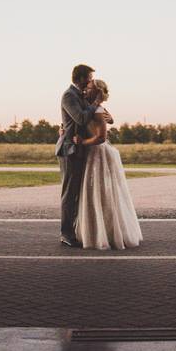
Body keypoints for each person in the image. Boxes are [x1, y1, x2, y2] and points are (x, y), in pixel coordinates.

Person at [74, 79, 143, 250]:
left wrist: (82, 142)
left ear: (96, 93)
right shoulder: (92, 107)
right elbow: (106, 119)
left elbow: (101, 137)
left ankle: (106, 233)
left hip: (99, 153)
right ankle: (100, 231)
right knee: (96, 193)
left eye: (89, 88)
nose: (85, 89)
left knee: (102, 193)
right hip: (94, 153)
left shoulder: (97, 110)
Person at [55, 64, 108, 247]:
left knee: (78, 193)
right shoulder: (69, 95)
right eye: (90, 78)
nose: (92, 81)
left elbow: (100, 117)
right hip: (70, 150)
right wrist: (95, 104)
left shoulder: (82, 96)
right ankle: (66, 234)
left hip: (80, 150)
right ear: (80, 78)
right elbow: (81, 118)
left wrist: (98, 108)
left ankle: (75, 230)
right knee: (69, 193)